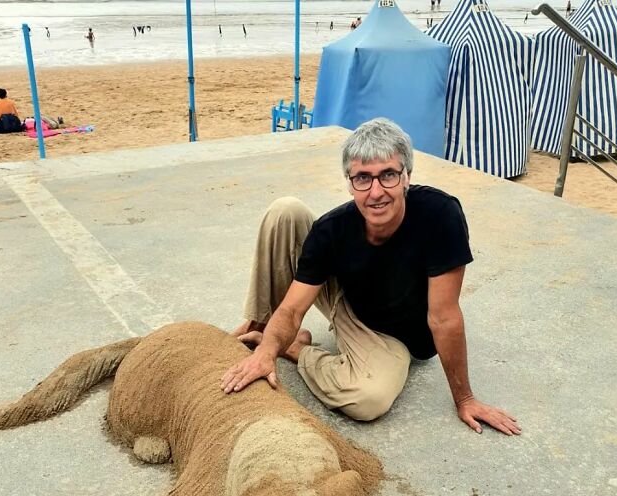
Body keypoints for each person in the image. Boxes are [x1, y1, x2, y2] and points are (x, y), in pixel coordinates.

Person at [221, 118, 521, 436]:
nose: (376, 192)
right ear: (350, 184)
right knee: (286, 211)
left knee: (369, 399)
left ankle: (295, 348)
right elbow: (293, 309)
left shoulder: (439, 216)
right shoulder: (332, 229)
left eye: (388, 175)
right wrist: (264, 355)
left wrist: (465, 399)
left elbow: (443, 318)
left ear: (406, 177)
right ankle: (261, 326)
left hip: (394, 336)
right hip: (345, 294)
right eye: (363, 178)